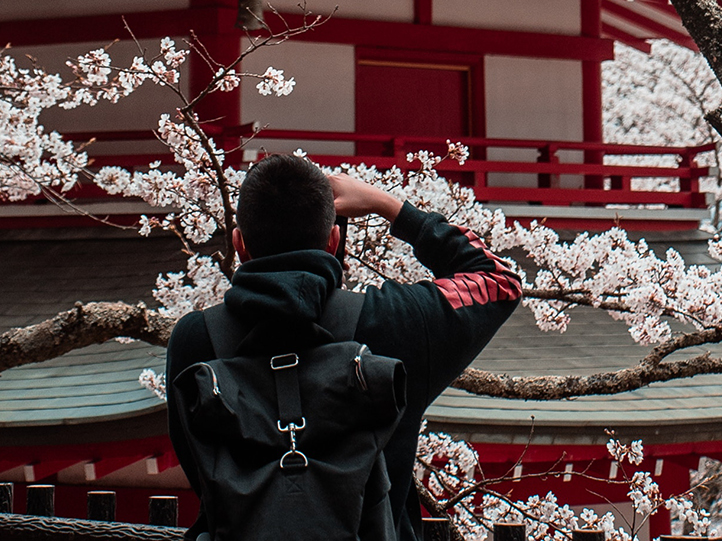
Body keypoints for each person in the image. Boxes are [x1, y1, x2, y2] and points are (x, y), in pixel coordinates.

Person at [166, 155, 522, 540]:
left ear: (239, 245)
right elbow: (498, 280)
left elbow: (195, 461)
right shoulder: (395, 324)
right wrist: (388, 205)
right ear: (334, 241)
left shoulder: (195, 339)